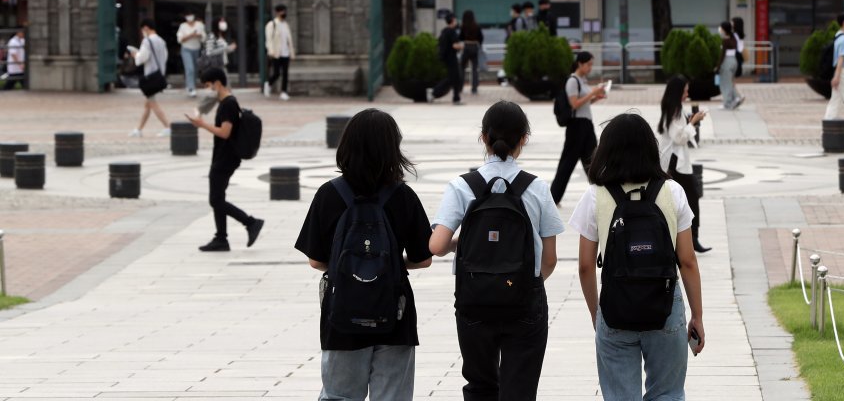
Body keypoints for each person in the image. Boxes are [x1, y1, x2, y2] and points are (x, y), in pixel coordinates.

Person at [295, 108, 434, 401]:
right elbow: (424, 258)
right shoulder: (403, 196)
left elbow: (316, 260)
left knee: (339, 395)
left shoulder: (329, 194)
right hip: (395, 314)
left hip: (342, 315)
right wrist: (394, 264)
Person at [429, 101, 563, 401]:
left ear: (483, 138)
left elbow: (436, 246)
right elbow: (550, 259)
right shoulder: (537, 187)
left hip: (475, 300)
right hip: (524, 300)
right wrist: (521, 282)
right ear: (523, 139)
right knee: (520, 390)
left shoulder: (462, 186)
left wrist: (463, 245)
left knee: (480, 387)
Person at [569, 114, 705, 400]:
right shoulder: (673, 192)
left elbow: (584, 266)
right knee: (667, 392)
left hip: (616, 307)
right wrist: (698, 315)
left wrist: (597, 314)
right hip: (665, 306)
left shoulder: (595, 196)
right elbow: (688, 261)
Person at [187, 67, 265, 252]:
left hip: (226, 158)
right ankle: (221, 238)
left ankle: (250, 222)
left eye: (208, 85)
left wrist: (202, 124)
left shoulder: (228, 104)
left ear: (217, 83)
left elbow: (225, 132)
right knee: (218, 197)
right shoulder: (225, 102)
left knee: (216, 200)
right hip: (224, 156)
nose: (208, 90)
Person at [658, 75, 711, 254]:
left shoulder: (674, 109)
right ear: (678, 91)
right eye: (685, 90)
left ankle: (688, 237)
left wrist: (691, 121)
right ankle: (691, 238)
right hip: (675, 162)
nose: (687, 93)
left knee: (685, 198)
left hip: (677, 161)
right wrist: (693, 122)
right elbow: (679, 137)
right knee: (691, 196)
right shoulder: (673, 110)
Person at [550, 50, 606, 205]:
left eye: (591, 64)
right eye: (588, 64)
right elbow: (574, 104)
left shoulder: (583, 81)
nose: (590, 67)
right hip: (576, 126)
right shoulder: (573, 81)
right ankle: (553, 197)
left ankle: (601, 192)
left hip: (586, 125)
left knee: (593, 160)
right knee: (567, 163)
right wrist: (592, 93)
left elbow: (584, 104)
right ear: (580, 63)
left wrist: (596, 97)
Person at [130, 19, 171, 138]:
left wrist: (135, 55)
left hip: (150, 77)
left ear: (146, 28)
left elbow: (142, 57)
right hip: (159, 75)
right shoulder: (161, 41)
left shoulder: (147, 41)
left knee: (152, 103)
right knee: (148, 104)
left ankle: (167, 126)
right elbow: (165, 57)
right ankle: (139, 129)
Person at [431, 13, 464, 104]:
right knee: (454, 78)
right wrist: (462, 46)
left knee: (453, 78)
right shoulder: (452, 31)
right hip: (451, 58)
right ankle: (434, 92)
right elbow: (455, 45)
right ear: (453, 20)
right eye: (455, 20)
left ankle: (455, 98)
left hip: (446, 58)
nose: (456, 21)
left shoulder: (444, 31)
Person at [264, 4, 294, 101]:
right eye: (282, 11)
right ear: (277, 12)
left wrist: (291, 52)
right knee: (276, 73)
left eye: (284, 11)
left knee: (285, 73)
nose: (284, 13)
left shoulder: (286, 25)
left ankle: (284, 92)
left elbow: (289, 40)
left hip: (286, 53)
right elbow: (269, 39)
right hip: (276, 53)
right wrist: (270, 51)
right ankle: (268, 84)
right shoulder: (272, 24)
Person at [177, 13, 206, 98]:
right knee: (189, 68)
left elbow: (204, 37)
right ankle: (191, 88)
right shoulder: (183, 26)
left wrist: (199, 35)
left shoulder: (199, 25)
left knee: (195, 69)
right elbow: (180, 39)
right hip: (186, 49)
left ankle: (192, 85)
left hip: (196, 49)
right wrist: (191, 35)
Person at [718, 21, 743, 111]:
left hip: (727, 62)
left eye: (720, 28)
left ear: (724, 29)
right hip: (734, 61)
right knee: (729, 82)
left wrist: (717, 66)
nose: (719, 30)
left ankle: (728, 102)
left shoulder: (725, 41)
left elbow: (722, 55)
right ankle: (736, 97)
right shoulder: (733, 39)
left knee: (725, 83)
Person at [459, 10, 484, 96]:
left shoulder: (463, 26)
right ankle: (474, 88)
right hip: (474, 47)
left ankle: (460, 87)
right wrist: (479, 44)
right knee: (474, 69)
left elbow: (460, 37)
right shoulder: (476, 26)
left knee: (462, 67)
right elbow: (481, 37)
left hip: (466, 46)